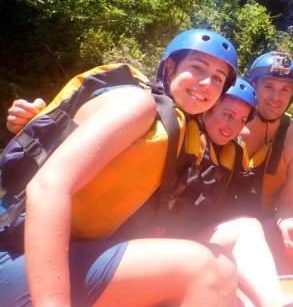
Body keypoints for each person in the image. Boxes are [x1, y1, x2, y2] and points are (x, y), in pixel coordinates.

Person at [6, 76, 293, 307]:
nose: (232, 126)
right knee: (205, 265)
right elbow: (75, 138)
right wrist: (33, 116)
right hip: (36, 250)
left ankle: (277, 304)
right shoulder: (156, 125)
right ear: (207, 108)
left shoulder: (228, 155)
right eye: (227, 114)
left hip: (137, 244)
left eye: (241, 121)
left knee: (246, 228)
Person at [0, 28, 240, 307]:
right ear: (170, 67)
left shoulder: (182, 134)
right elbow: (47, 187)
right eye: (197, 68)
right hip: (15, 251)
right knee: (201, 266)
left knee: (223, 265)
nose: (206, 83)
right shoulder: (137, 103)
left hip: (75, 250)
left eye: (218, 79)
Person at [241, 52, 293, 273]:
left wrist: (289, 222)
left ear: (292, 95)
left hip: (262, 223)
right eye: (268, 87)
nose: (276, 97)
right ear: (253, 86)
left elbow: (290, 203)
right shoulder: (229, 120)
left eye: (284, 90)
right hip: (215, 221)